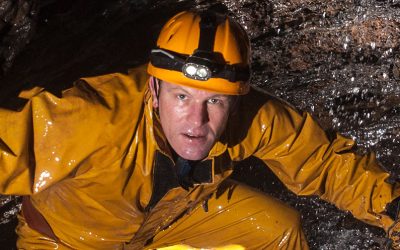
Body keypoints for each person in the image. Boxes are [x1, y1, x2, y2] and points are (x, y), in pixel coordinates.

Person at [0, 8, 400, 250]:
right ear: (154, 89)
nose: (197, 121)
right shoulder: (94, 117)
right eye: (181, 97)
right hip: (69, 242)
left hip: (170, 223)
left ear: (235, 101)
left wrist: (392, 210)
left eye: (215, 102)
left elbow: (324, 161)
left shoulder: (251, 118)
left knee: (280, 232)